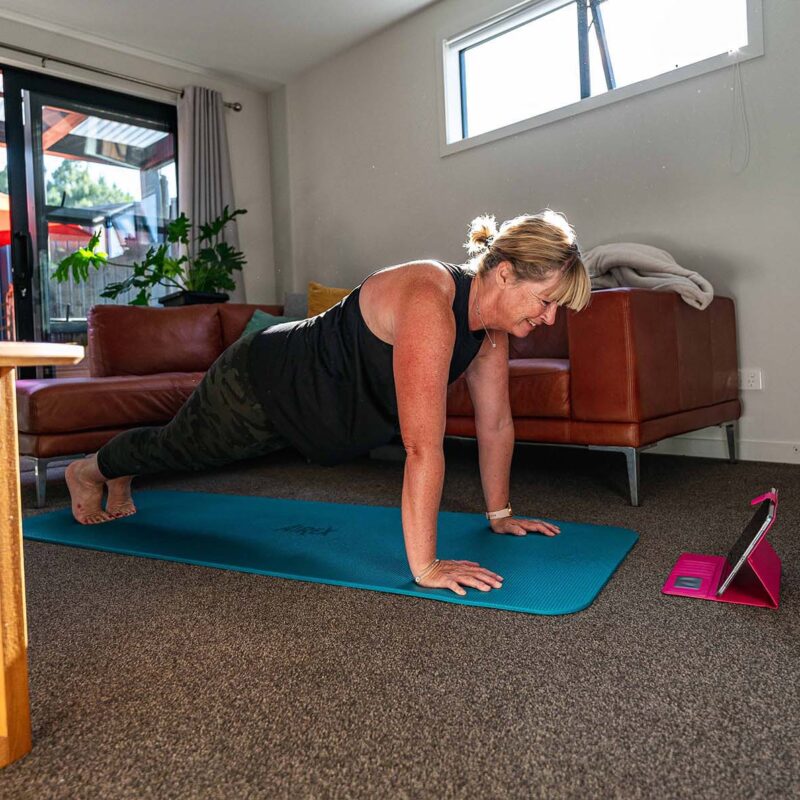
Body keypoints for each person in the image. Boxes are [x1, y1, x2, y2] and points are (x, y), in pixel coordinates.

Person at [66, 210, 591, 596]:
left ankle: (118, 469)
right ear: (505, 273)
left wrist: (500, 514)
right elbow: (421, 446)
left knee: (181, 451)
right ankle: (91, 470)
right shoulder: (430, 299)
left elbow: (495, 425)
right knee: (180, 450)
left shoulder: (491, 334)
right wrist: (426, 567)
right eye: (546, 301)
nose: (549, 319)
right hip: (261, 383)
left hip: (308, 415)